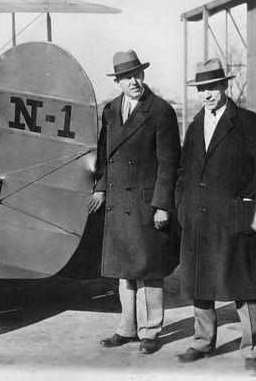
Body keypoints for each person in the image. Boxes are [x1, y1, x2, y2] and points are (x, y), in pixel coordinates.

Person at [174, 58, 256, 376]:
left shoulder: (248, 122)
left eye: (212, 87)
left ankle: (252, 350)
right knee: (200, 282)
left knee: (243, 285)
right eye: (201, 89)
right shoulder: (195, 125)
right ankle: (202, 341)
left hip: (236, 219)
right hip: (199, 219)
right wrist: (182, 206)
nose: (207, 94)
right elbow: (183, 171)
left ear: (225, 86)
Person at [88, 49, 181, 355]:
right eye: (127, 77)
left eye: (137, 74)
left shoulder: (161, 111)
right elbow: (104, 154)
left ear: (143, 74)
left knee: (149, 271)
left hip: (146, 204)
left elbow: (169, 164)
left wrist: (163, 205)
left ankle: (150, 331)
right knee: (124, 271)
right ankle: (127, 328)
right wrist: (100, 187)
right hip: (118, 201)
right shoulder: (110, 110)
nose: (134, 82)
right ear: (118, 81)